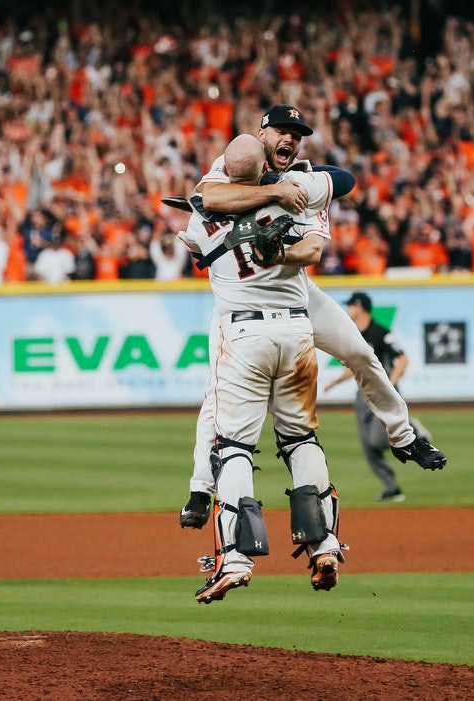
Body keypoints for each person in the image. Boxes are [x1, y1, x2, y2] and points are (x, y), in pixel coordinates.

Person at [176, 104, 447, 530]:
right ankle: (199, 490)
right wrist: (273, 192)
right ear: (261, 135)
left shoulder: (305, 178)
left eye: (297, 133)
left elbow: (320, 238)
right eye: (281, 130)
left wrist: (282, 242)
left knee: (361, 352)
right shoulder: (233, 162)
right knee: (215, 395)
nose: (290, 138)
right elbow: (211, 196)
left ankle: (405, 437)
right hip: (237, 304)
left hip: (297, 292)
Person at [178, 134, 343, 602]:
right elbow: (318, 236)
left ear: (225, 173)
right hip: (296, 334)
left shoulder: (202, 214)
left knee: (233, 447)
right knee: (300, 440)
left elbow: (197, 240)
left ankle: (235, 556)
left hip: (244, 335)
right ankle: (324, 544)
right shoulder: (293, 203)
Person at [323, 292, 434, 502]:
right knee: (368, 448)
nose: (347, 310)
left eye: (351, 306)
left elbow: (402, 359)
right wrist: (334, 383)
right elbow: (355, 366)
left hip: (383, 394)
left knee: (377, 439)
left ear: (360, 307)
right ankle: (391, 488)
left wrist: (390, 383)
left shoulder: (381, 332)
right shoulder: (354, 334)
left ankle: (413, 429)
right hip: (362, 394)